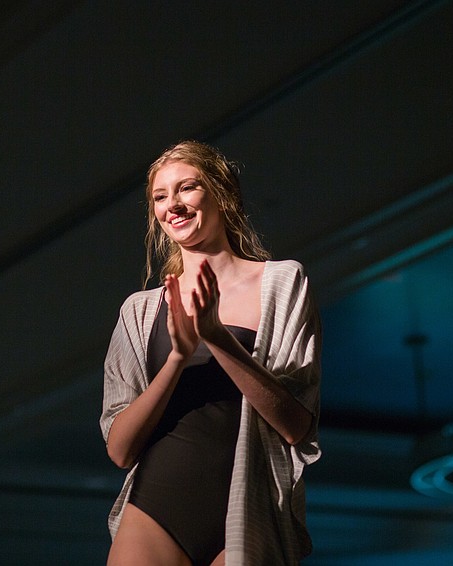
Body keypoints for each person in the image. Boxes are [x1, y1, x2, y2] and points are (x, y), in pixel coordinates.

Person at [100, 140, 322, 565]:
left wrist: (217, 338)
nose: (174, 205)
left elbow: (297, 425)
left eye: (187, 188)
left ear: (222, 193)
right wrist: (177, 358)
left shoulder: (281, 282)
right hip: (155, 508)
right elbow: (120, 450)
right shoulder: (140, 310)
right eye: (160, 197)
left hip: (249, 509)